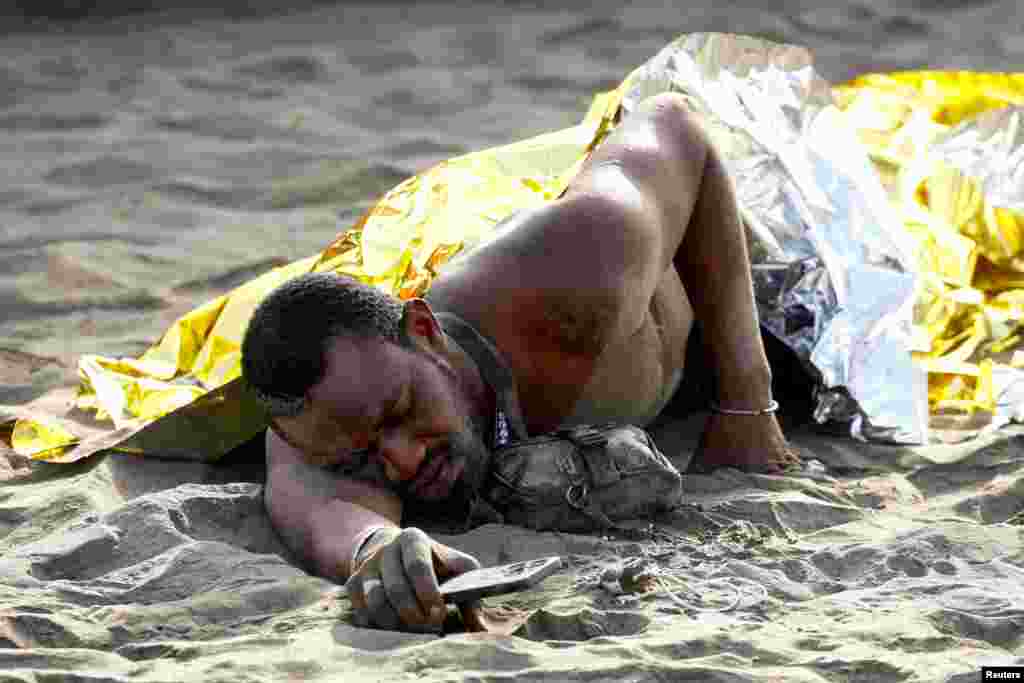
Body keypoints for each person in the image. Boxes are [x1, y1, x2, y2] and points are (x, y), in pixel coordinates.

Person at [241, 92, 802, 634]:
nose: (403, 461)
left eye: (401, 411)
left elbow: (677, 124)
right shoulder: (317, 420)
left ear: (424, 332)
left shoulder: (573, 272)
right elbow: (324, 511)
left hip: (741, 271)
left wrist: (748, 404)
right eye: (359, 458)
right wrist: (382, 549)